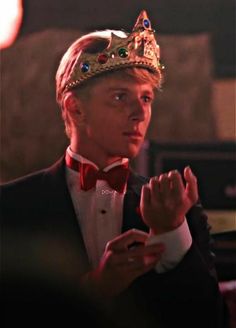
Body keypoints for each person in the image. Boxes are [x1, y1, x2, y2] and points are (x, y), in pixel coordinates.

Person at [1, 10, 229, 328]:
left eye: (146, 98)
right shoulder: (11, 207)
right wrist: (94, 287)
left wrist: (171, 232)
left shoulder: (178, 211)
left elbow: (211, 321)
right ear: (75, 108)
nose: (139, 113)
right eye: (120, 97)